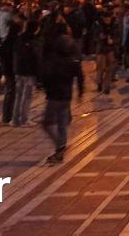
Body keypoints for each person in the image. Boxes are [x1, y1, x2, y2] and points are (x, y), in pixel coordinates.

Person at [40, 22, 84, 163]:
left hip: (54, 95)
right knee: (62, 123)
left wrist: (45, 86)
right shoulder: (72, 61)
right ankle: (61, 149)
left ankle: (60, 147)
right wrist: (80, 91)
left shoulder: (54, 61)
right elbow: (79, 75)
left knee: (47, 123)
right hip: (67, 94)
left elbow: (46, 76)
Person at [12, 17, 39, 127]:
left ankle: (15, 119)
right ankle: (24, 119)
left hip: (19, 70)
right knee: (27, 96)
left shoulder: (19, 38)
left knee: (18, 95)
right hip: (28, 71)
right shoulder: (33, 40)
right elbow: (36, 57)